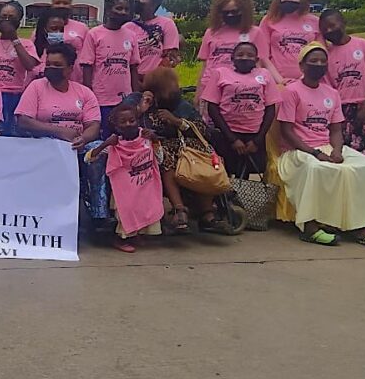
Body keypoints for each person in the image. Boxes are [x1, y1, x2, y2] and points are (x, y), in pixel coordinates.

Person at [276, 43, 365, 251]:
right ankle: (310, 227)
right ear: (302, 66)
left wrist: (337, 151)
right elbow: (287, 131)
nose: (318, 65)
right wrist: (315, 153)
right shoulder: (291, 91)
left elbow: (336, 130)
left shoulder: (332, 93)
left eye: (322, 61)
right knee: (316, 168)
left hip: (327, 146)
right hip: (297, 151)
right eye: (313, 61)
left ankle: (364, 228)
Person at [130, 67, 235, 235]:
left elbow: (203, 131)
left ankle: (207, 214)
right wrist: (141, 110)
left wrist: (177, 122)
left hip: (187, 147)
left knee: (205, 159)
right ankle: (180, 210)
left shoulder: (181, 105)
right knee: (168, 160)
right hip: (157, 148)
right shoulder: (141, 102)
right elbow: (125, 124)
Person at [86, 102, 163, 253]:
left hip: (144, 185)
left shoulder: (147, 138)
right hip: (124, 190)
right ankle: (120, 239)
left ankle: (136, 235)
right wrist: (105, 145)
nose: (128, 124)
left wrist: (155, 141)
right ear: (116, 126)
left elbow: (159, 159)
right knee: (126, 211)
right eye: (123, 122)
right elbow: (89, 159)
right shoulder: (114, 143)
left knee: (145, 206)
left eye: (132, 120)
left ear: (138, 121)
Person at [204, 41, 280, 178]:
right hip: (227, 133)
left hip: (254, 135)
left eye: (250, 55)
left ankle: (239, 198)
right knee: (223, 170)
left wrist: (258, 140)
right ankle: (224, 198)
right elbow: (212, 108)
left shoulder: (265, 75)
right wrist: (232, 139)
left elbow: (270, 109)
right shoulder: (220, 74)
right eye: (240, 54)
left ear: (256, 60)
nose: (244, 58)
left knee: (246, 173)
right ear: (232, 58)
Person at [320, 10, 365, 162]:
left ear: (343, 22)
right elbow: (327, 88)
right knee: (344, 154)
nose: (329, 31)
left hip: (363, 106)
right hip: (340, 111)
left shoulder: (364, 46)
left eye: (332, 25)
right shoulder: (326, 56)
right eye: (325, 29)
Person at [15, 42, 100, 149]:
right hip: (45, 145)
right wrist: (59, 132)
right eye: (48, 64)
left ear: (70, 68)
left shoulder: (85, 92)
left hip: (76, 145)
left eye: (57, 65)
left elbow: (93, 125)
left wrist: (83, 139)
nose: (51, 68)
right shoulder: (36, 87)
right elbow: (24, 121)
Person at [196, 0, 270, 108]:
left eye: (234, 11)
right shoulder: (211, 32)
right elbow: (205, 65)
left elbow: (260, 65)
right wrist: (199, 91)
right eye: (226, 12)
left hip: (239, 91)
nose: (230, 15)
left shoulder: (255, 33)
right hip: (210, 88)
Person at [81, 0, 141, 131]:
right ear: (108, 11)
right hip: (101, 99)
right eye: (119, 8)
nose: (123, 13)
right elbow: (87, 66)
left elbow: (133, 67)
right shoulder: (94, 34)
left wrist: (136, 96)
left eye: (126, 9)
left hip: (125, 100)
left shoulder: (131, 36)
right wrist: (88, 94)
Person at [0, 1, 38, 137]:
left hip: (13, 95)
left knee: (10, 133)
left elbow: (30, 65)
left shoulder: (26, 44)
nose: (6, 21)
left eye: (11, 17)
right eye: (3, 16)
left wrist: (14, 39)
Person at [261, 0, 322, 85]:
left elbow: (321, 54)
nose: (288, 0)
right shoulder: (269, 20)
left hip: (307, 84)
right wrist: (280, 80)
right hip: (276, 83)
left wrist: (304, 80)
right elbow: (263, 56)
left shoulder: (315, 22)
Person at [126, 0, 181, 74]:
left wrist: (151, 79)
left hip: (157, 80)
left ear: (154, 4)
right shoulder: (127, 27)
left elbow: (170, 57)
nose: (137, 0)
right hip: (132, 80)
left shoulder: (167, 24)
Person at [51, 0, 90, 82]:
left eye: (65, 3)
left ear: (71, 6)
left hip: (76, 79)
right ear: (52, 6)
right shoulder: (42, 28)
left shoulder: (82, 28)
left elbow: (88, 58)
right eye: (57, 2)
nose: (61, 5)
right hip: (50, 79)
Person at [31, 7, 69, 80]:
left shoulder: (66, 50)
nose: (58, 33)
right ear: (44, 28)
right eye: (54, 29)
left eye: (61, 30)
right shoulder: (32, 48)